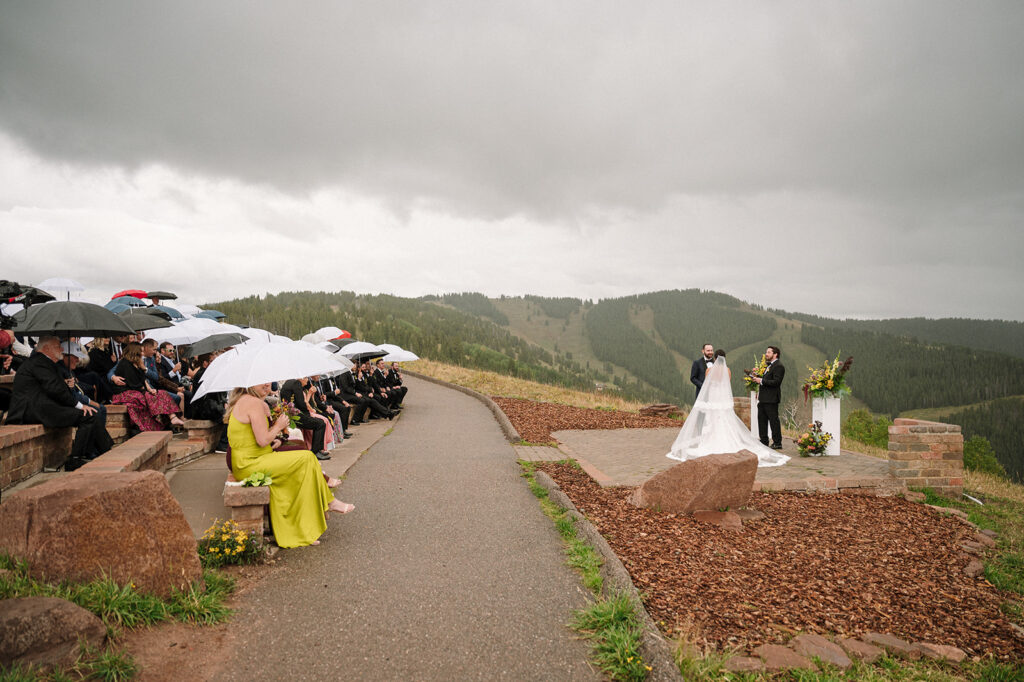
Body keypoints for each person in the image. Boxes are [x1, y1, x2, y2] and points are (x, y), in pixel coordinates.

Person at [226, 383, 354, 548]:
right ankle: (327, 502)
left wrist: (277, 438)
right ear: (250, 383)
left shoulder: (247, 400)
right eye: (262, 381)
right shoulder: (253, 403)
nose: (267, 384)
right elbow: (262, 440)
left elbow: (256, 439)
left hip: (249, 460)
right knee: (306, 458)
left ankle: (311, 520)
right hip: (250, 464)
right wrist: (278, 426)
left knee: (304, 462)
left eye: (268, 380)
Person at [5, 336, 113, 468]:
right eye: (57, 346)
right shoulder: (39, 362)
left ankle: (107, 451)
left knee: (91, 413)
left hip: (43, 406)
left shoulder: (46, 362)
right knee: (88, 416)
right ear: (46, 348)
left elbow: (56, 388)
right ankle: (75, 459)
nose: (61, 349)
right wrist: (79, 405)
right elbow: (54, 389)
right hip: (31, 411)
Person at [667, 354, 788, 466]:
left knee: (712, 419)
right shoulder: (728, 370)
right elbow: (727, 383)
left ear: (715, 359)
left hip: (714, 397)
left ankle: (712, 440)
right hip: (723, 397)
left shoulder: (709, 370)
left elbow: (707, 384)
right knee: (724, 419)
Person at [111, 342, 185, 431]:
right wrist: (147, 391)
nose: (142, 354)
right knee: (151, 397)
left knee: (162, 393)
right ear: (135, 352)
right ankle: (171, 420)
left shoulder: (138, 363)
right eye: (141, 352)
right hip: (126, 392)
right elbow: (133, 383)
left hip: (138, 389)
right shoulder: (124, 363)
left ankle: (173, 418)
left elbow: (144, 380)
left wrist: (149, 388)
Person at [753, 345, 785, 450]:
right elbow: (767, 380)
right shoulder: (770, 365)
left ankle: (777, 442)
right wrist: (758, 378)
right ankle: (764, 441)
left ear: (775, 354)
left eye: (768, 352)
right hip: (763, 398)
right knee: (761, 420)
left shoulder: (779, 366)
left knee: (773, 421)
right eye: (766, 352)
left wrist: (761, 380)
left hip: (771, 399)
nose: (766, 354)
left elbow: (776, 382)